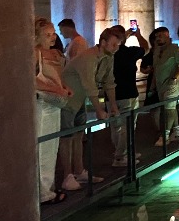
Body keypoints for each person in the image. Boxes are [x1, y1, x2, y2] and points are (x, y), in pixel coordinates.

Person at [59, 28, 121, 190]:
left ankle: (79, 171)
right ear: (103, 43)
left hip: (79, 101)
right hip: (67, 101)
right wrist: (100, 110)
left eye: (118, 45)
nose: (116, 48)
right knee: (67, 138)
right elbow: (89, 85)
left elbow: (109, 82)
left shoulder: (107, 58)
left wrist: (113, 107)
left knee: (78, 135)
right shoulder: (88, 57)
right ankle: (67, 175)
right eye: (113, 44)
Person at [34, 18, 73, 204]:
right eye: (47, 34)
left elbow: (57, 77)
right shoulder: (35, 53)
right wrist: (57, 89)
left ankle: (47, 187)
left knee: (51, 148)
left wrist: (63, 86)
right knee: (42, 149)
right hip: (43, 105)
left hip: (55, 104)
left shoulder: (53, 53)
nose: (52, 37)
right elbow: (34, 80)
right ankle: (42, 191)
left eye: (53, 33)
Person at [109, 24, 148, 167]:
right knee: (128, 126)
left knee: (116, 127)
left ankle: (123, 152)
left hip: (111, 95)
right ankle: (120, 156)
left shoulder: (108, 53)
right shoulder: (128, 52)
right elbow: (146, 47)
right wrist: (137, 34)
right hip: (128, 93)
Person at [149, 27, 179, 146]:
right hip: (161, 85)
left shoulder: (175, 49)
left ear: (167, 35)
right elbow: (156, 69)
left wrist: (174, 78)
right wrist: (153, 85)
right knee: (170, 108)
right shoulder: (157, 51)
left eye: (160, 35)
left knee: (168, 109)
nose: (158, 38)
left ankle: (164, 135)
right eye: (156, 36)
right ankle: (177, 131)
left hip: (172, 84)